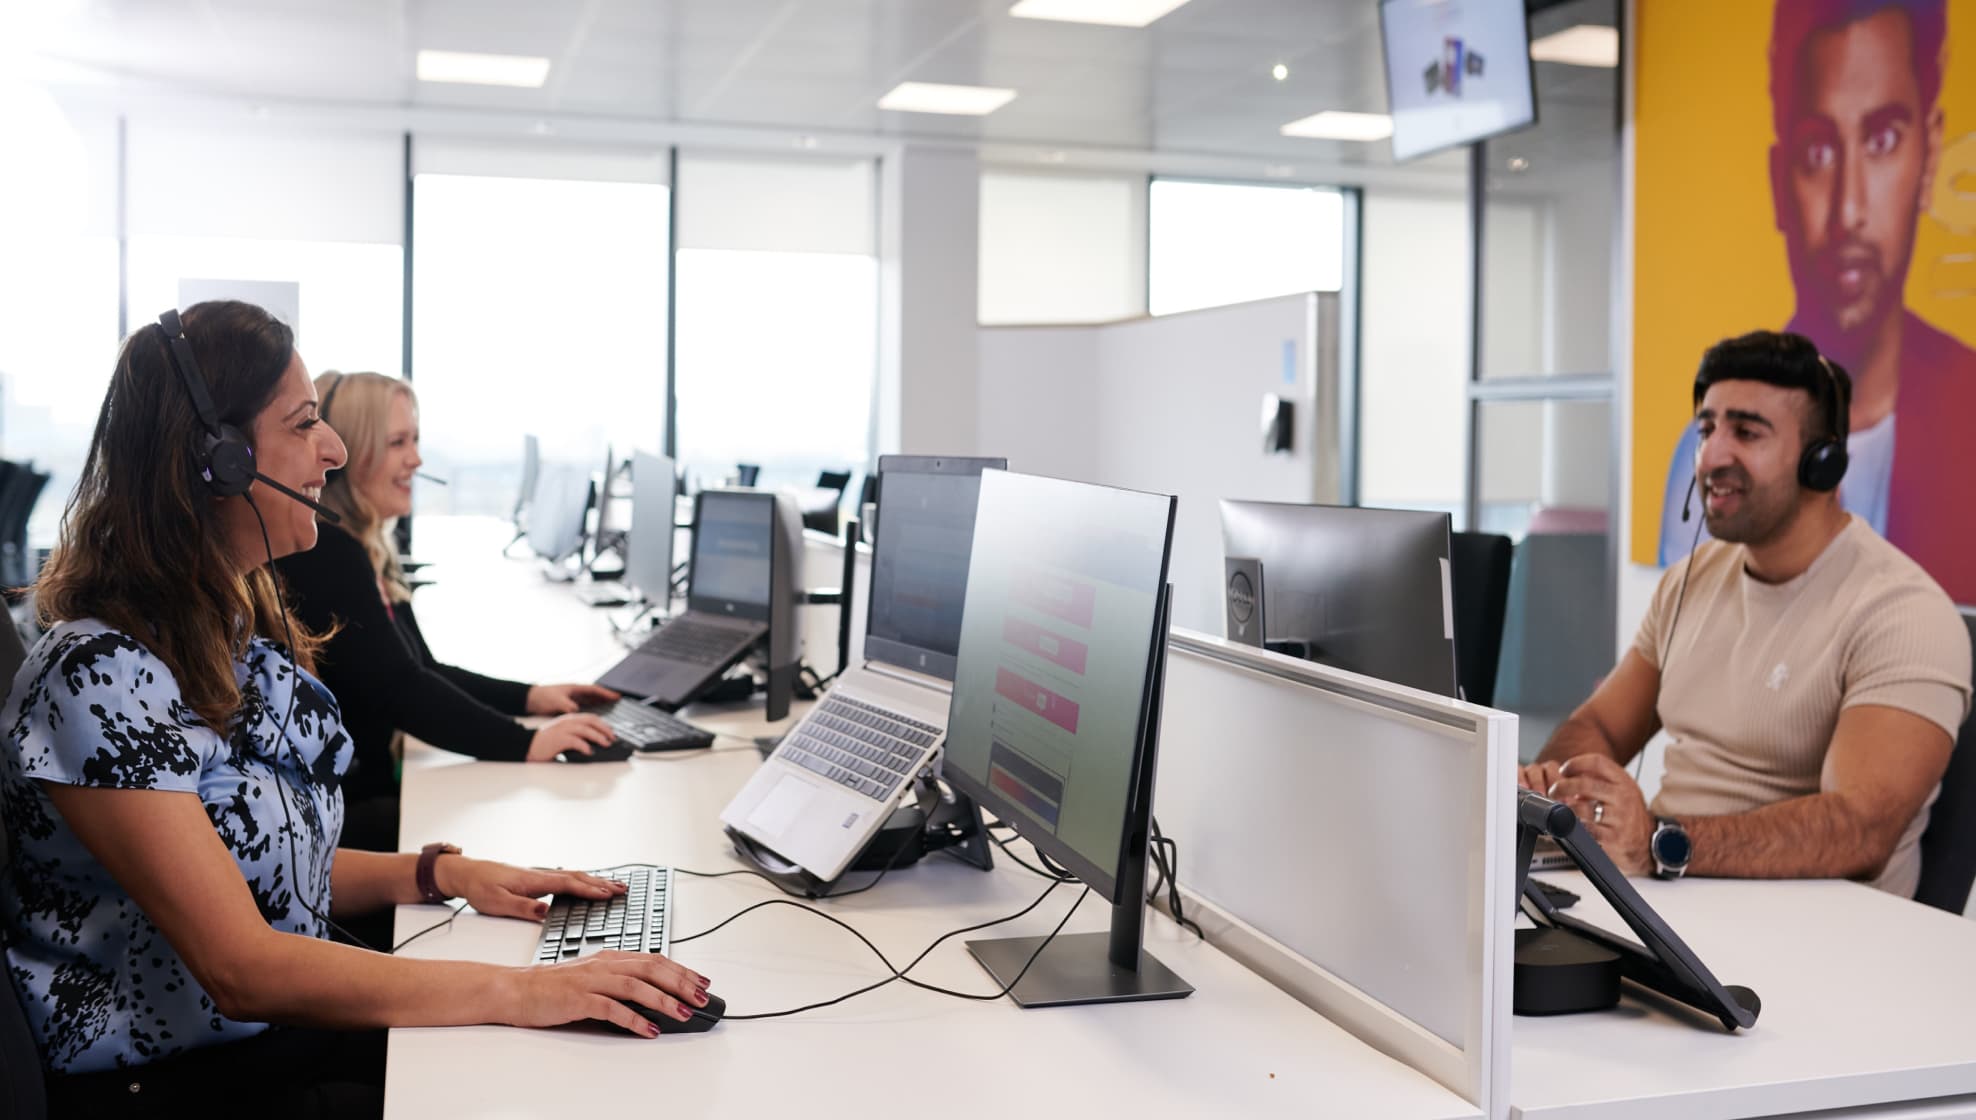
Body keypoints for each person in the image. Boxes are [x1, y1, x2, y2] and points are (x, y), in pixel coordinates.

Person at [0, 302, 709, 1117]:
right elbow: (242, 965)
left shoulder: (211, 633)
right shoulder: (100, 678)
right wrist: (523, 990)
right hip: (165, 1082)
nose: (333, 449)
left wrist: (440, 873)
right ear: (216, 462)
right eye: (304, 425)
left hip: (256, 1045)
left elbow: (244, 866)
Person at [1530, 330, 1970, 896]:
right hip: (1670, 889)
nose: (1712, 455)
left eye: (1746, 432)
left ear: (1823, 463)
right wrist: (1559, 783)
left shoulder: (1903, 614)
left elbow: (1860, 831)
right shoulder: (1693, 578)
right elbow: (1600, 725)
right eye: (1707, 428)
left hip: (1811, 932)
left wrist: (1661, 842)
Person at [1656, 0, 1976, 604]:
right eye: (1819, 153)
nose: (1849, 208)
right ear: (1781, 183)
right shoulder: (1706, 462)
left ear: (1929, 158)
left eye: (1882, 139)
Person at [272, 371, 619, 852]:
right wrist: (524, 743)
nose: (415, 458)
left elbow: (420, 669)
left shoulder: (362, 546)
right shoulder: (328, 553)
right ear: (350, 455)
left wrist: (531, 698)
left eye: (414, 440)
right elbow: (403, 689)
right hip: (345, 810)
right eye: (397, 443)